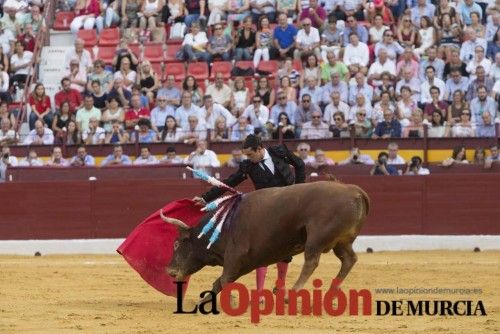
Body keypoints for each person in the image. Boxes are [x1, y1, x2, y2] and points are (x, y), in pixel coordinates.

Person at [193, 134, 305, 296]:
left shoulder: (279, 152)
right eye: (246, 155)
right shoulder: (248, 166)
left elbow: (300, 165)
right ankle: (260, 291)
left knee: (285, 249)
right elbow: (229, 182)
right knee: (262, 250)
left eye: (250, 154)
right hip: (266, 210)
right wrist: (206, 198)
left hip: (288, 208)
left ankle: (280, 285)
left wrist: (299, 189)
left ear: (260, 149)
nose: (248, 158)